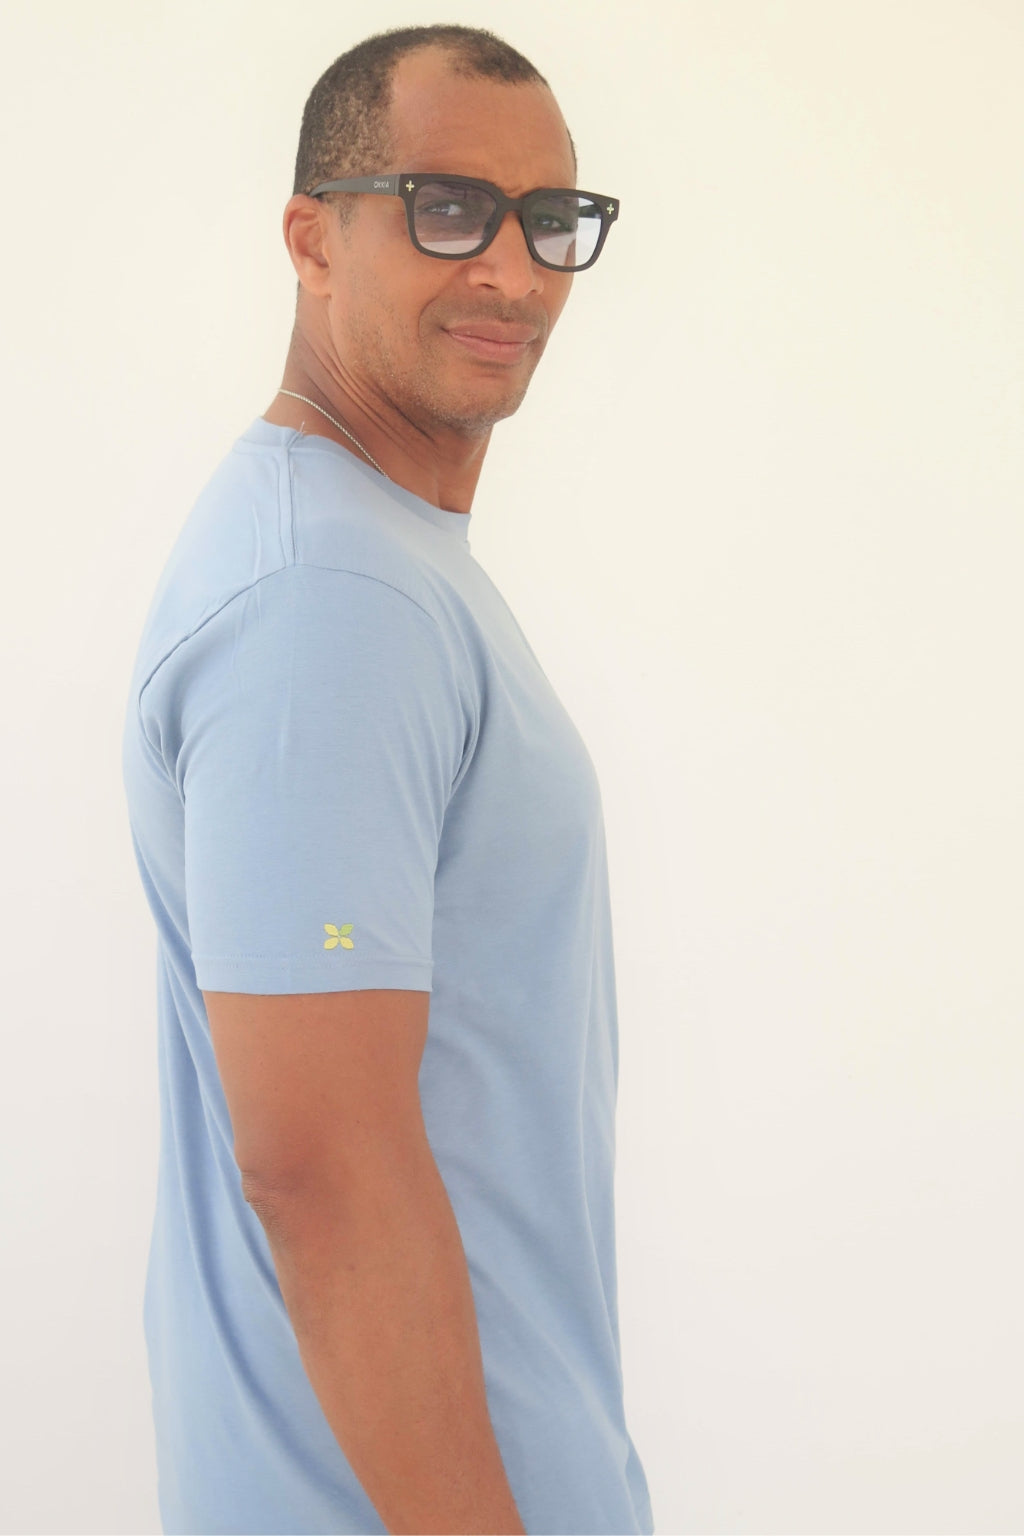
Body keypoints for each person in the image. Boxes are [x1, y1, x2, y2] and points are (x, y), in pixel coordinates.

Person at [121, 22, 653, 1536]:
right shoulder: (328, 601)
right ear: (312, 239)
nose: (513, 272)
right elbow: (322, 1169)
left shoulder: (375, 559)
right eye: (449, 208)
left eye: (550, 219)